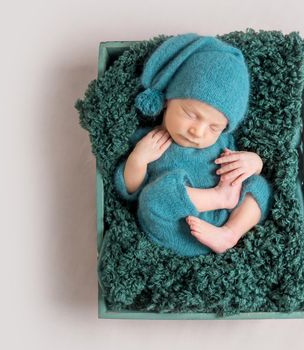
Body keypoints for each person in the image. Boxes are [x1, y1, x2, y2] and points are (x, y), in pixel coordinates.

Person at [113, 33, 274, 257]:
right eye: (190, 114)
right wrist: (139, 159)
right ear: (169, 100)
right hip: (174, 225)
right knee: (153, 196)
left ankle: (230, 234)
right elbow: (130, 190)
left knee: (259, 187)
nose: (198, 131)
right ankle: (219, 197)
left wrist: (254, 163)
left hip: (220, 221)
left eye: (213, 128)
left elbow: (241, 173)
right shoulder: (151, 140)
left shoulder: (224, 143)